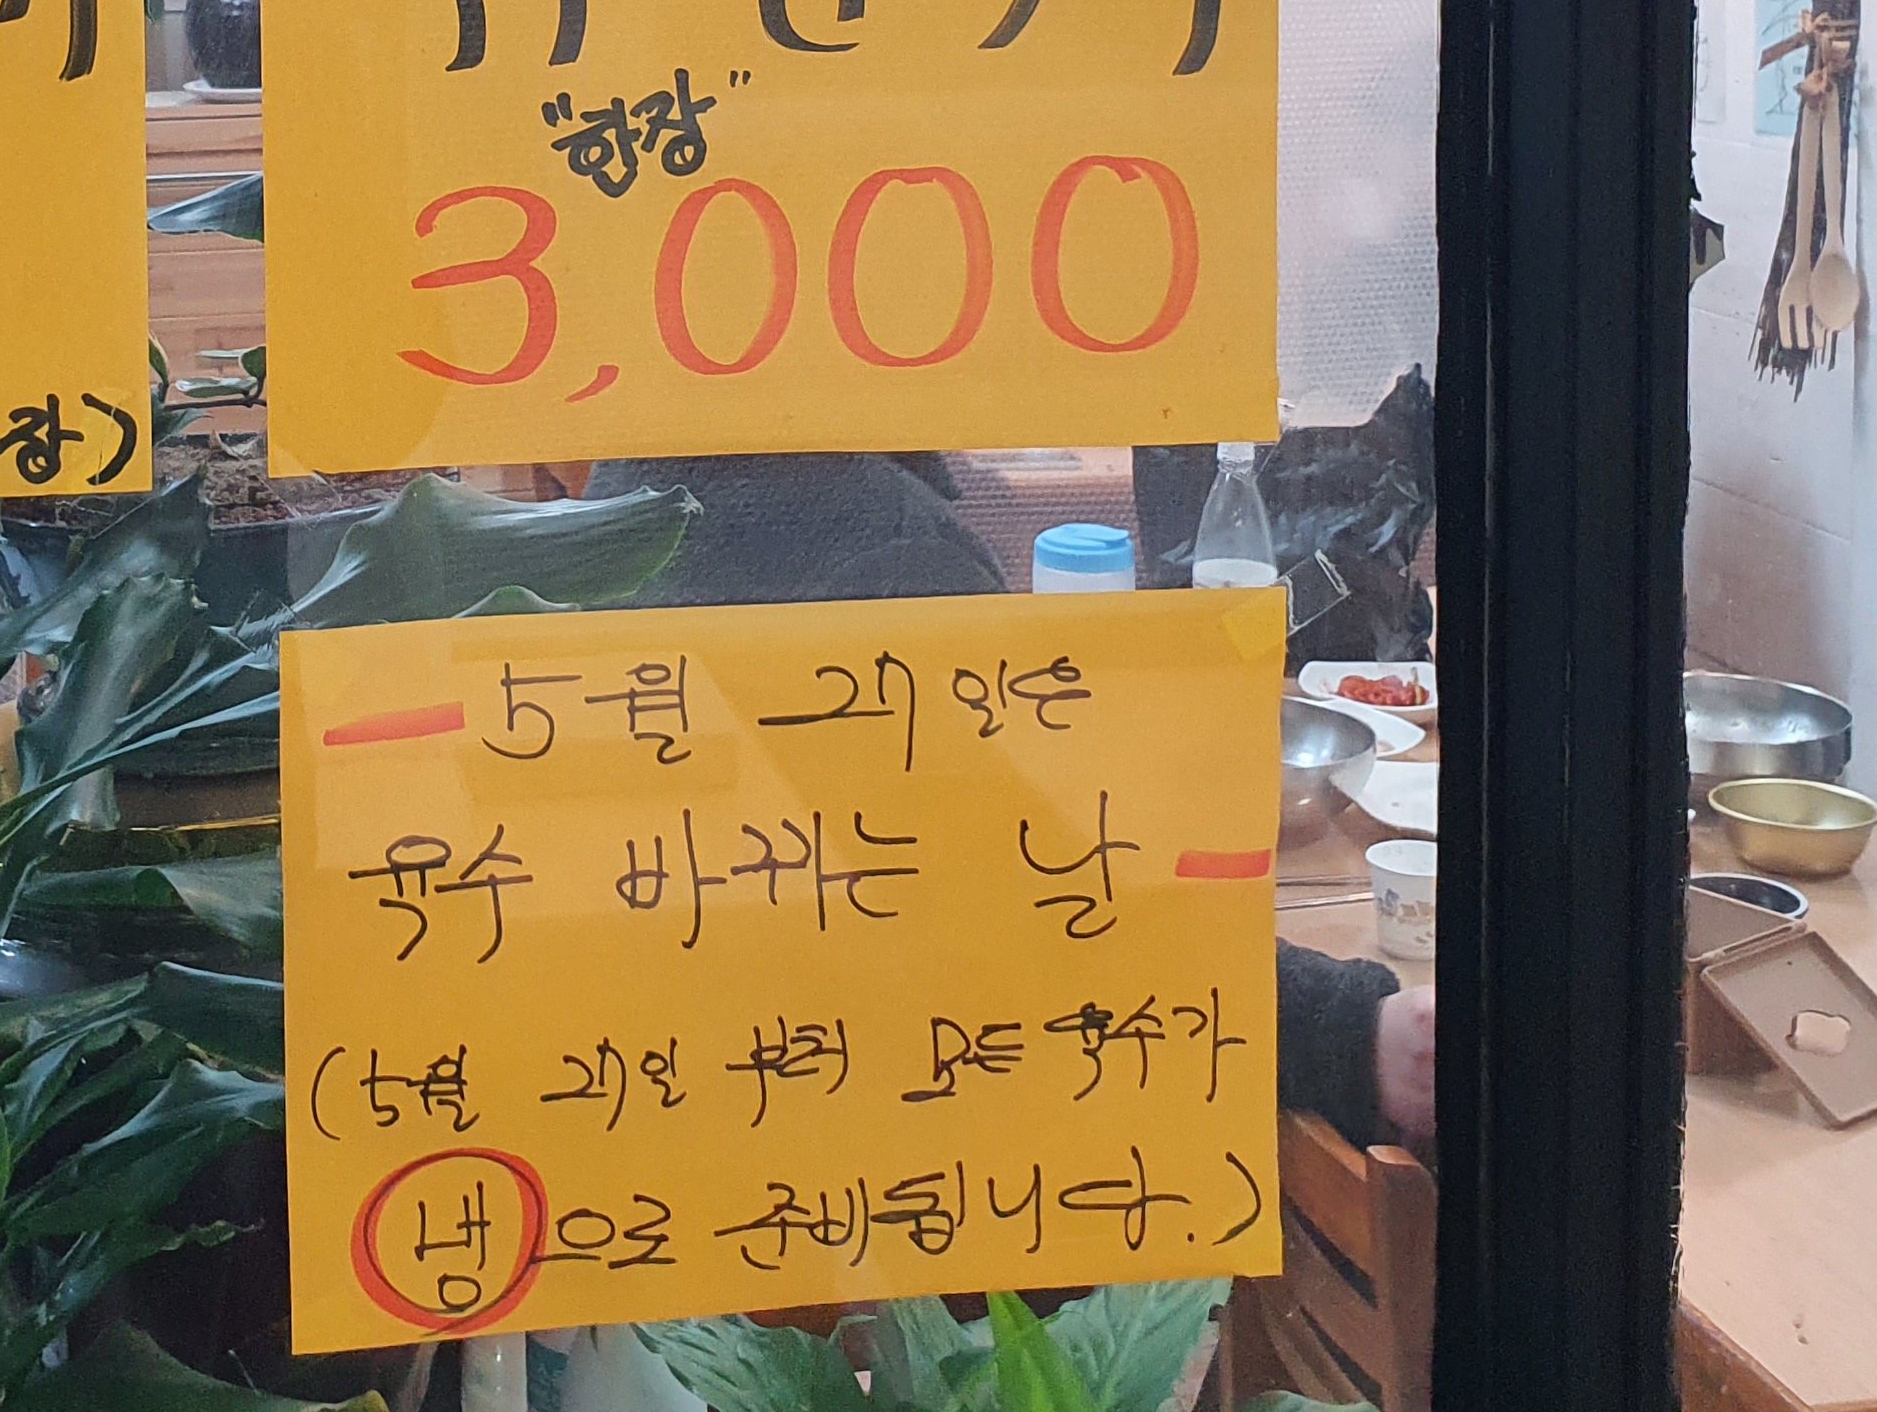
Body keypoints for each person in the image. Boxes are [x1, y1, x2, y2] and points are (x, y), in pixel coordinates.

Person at [588, 447, 1440, 1151]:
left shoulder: (628, 486)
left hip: (667, 1108)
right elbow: (1044, 918)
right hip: (874, 1158)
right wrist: (1347, 1035)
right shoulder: (883, 549)